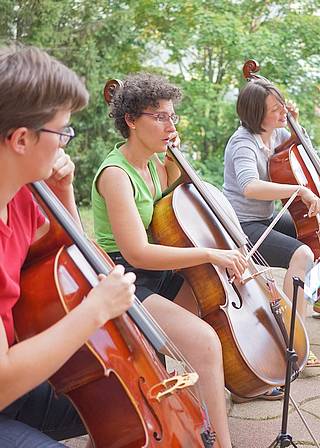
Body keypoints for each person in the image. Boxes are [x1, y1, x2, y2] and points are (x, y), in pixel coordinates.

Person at [92, 72, 249, 448]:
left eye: (172, 116)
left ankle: (193, 407)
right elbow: (136, 252)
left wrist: (177, 160)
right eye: (159, 116)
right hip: (126, 278)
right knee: (206, 341)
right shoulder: (116, 173)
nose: (170, 124)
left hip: (158, 270)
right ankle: (219, 442)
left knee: (214, 294)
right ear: (131, 120)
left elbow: (175, 209)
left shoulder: (156, 162)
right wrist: (212, 252)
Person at [0, 44, 136, 448]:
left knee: (118, 397)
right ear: (22, 139)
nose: (66, 144)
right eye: (62, 131)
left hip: (12, 375)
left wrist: (64, 192)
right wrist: (97, 310)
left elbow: (72, 261)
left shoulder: (22, 197)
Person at [223, 79, 320, 374]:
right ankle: (294, 339)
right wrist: (297, 190)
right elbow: (250, 187)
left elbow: (304, 153)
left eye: (282, 107)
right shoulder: (243, 142)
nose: (282, 113)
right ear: (255, 114)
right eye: (275, 110)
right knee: (301, 253)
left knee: (313, 234)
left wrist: (295, 126)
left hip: (267, 218)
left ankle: (310, 301)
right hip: (241, 224)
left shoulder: (277, 133)